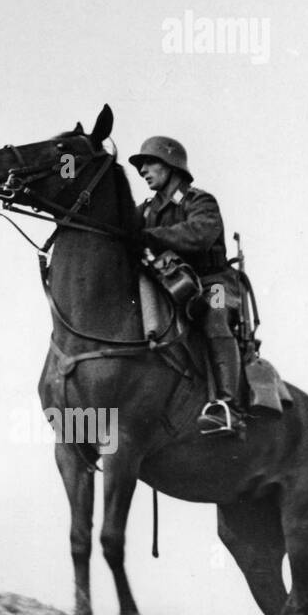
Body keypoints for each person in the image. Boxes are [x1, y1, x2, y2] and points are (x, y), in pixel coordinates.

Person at [130, 137, 243, 436]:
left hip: (216, 282)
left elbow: (200, 233)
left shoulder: (199, 201)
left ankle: (226, 407)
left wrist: (151, 237)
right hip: (169, 283)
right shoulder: (142, 211)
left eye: (149, 162)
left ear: (170, 164)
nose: (142, 170)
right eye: (141, 166)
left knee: (214, 315)